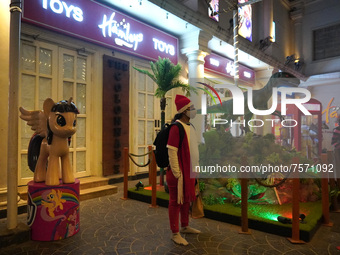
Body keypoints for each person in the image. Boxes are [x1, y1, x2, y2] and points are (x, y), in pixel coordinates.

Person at [166, 94, 201, 246]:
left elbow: (194, 149)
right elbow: (172, 151)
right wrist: (177, 173)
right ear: (184, 110)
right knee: (176, 202)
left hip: (190, 171)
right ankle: (175, 233)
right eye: (191, 108)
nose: (194, 110)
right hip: (179, 174)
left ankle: (185, 226)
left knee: (187, 198)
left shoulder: (190, 127)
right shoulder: (176, 127)